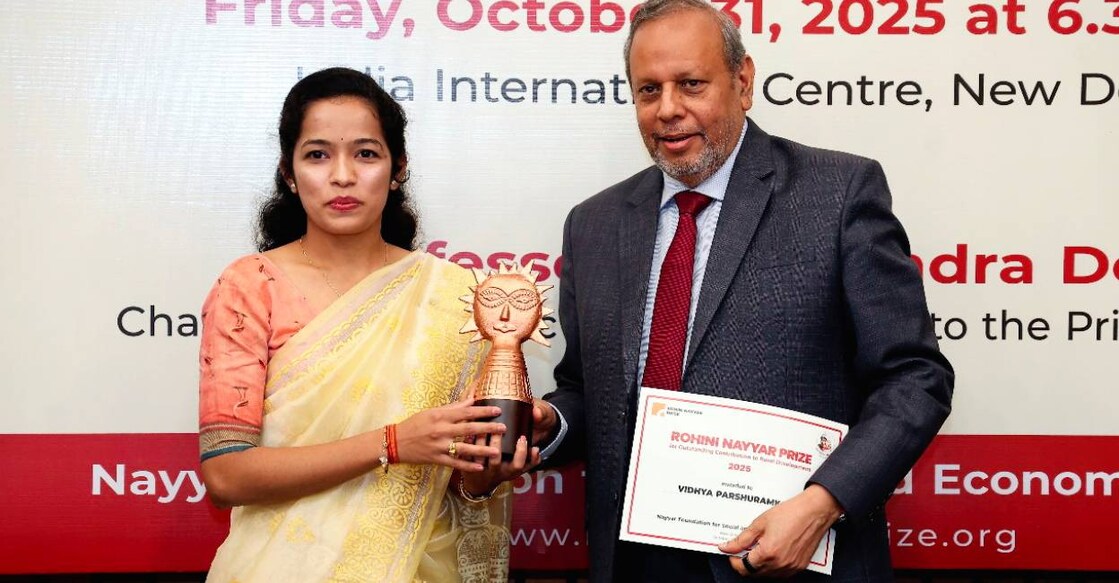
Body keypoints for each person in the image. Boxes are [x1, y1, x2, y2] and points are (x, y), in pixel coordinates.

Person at [526, 1, 956, 581]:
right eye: (648, 90)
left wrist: (822, 503)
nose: (669, 110)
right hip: (632, 560)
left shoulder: (838, 193)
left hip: (787, 557)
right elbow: (585, 386)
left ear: (744, 81)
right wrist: (552, 425)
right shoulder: (595, 222)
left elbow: (915, 378)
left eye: (691, 84)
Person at [197, 67, 529, 582]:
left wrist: (485, 478)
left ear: (398, 168)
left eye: (366, 153)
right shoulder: (250, 287)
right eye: (318, 154)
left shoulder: (456, 295)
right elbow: (225, 476)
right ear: (289, 172)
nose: (343, 176)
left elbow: (463, 487)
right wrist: (392, 444)